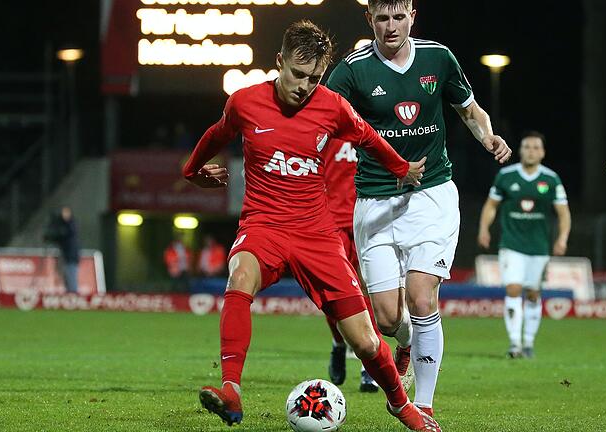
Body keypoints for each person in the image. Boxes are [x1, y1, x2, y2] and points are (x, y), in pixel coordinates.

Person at [183, 20, 440, 431]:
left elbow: (369, 137)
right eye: (298, 75)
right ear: (280, 62)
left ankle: (401, 405)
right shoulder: (245, 102)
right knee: (239, 276)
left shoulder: (332, 106)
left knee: (367, 340)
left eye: (315, 78)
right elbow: (218, 133)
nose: (305, 86)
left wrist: (402, 168)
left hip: (316, 234)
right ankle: (231, 389)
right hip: (263, 224)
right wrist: (192, 170)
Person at [326, 0, 512, 417]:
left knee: (422, 295)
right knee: (389, 318)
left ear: (413, 14)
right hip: (374, 201)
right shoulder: (353, 69)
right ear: (368, 19)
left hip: (431, 196)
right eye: (382, 18)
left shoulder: (438, 58)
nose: (391, 27)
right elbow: (318, 116)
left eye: (398, 17)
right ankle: (405, 342)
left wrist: (488, 137)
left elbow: (468, 109)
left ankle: (422, 406)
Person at [477, 130, 571, 359]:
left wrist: (562, 238)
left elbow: (563, 213)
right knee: (513, 289)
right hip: (511, 244)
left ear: (543, 152)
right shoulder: (506, 176)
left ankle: (528, 342)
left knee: (533, 293)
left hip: (539, 247)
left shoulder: (550, 179)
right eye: (527, 147)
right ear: (520, 150)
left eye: (535, 147)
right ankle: (515, 344)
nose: (531, 151)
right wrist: (484, 229)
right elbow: (491, 206)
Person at [322, 138, 381, 393]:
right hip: (330, 223)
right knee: (333, 294)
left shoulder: (371, 129)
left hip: (368, 221)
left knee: (370, 292)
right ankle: (338, 343)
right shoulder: (323, 130)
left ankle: (369, 367)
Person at [43, 206, 80, 294]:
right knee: (67, 278)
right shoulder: (65, 225)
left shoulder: (71, 225)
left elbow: (63, 234)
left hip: (71, 257)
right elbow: (59, 237)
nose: (63, 215)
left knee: (71, 277)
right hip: (66, 256)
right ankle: (69, 296)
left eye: (66, 213)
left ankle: (73, 296)